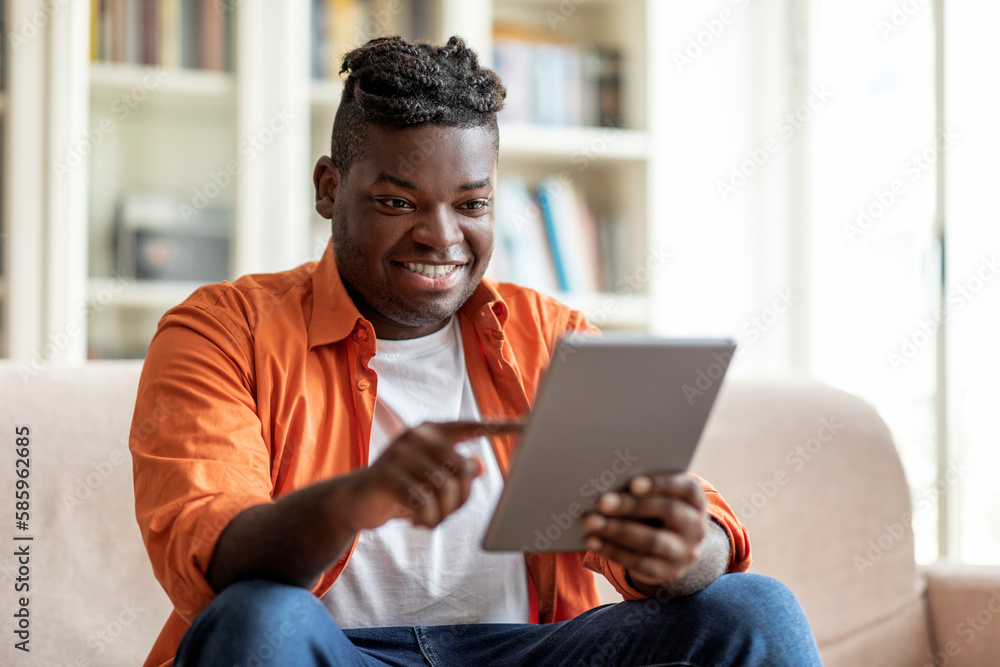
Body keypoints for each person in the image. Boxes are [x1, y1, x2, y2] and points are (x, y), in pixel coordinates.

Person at [129, 35, 822, 667]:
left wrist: (682, 549)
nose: (442, 237)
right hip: (332, 654)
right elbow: (208, 552)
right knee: (257, 620)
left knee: (754, 608)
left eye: (471, 204)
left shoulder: (549, 334)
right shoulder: (222, 331)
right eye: (398, 203)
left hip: (525, 652)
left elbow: (690, 531)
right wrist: (353, 499)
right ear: (329, 189)